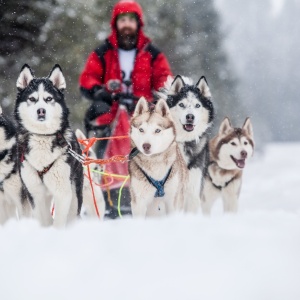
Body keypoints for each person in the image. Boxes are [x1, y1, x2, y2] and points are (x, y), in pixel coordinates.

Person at [79, 0, 172, 151]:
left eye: (131, 20)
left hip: (144, 116)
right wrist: (99, 92)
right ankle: (102, 168)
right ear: (115, 24)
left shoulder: (153, 54)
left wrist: (158, 97)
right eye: (122, 20)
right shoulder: (103, 52)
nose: (127, 25)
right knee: (102, 146)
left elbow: (165, 79)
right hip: (111, 115)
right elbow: (89, 77)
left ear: (138, 23)